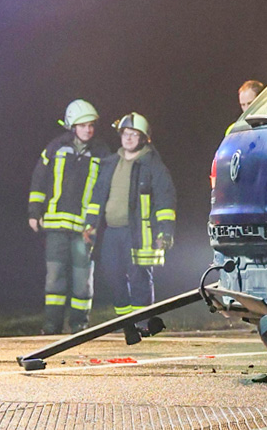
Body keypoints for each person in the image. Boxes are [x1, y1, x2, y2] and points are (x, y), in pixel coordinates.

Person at [84, 113, 176, 323]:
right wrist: (90, 224)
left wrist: (164, 231)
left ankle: (142, 323)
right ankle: (125, 323)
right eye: (125, 133)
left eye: (134, 134)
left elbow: (165, 199)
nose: (128, 138)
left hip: (139, 233)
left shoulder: (152, 165)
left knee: (139, 277)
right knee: (112, 276)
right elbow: (97, 196)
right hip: (111, 232)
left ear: (144, 138)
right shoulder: (110, 163)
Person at [28, 99, 107, 335]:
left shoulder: (102, 153)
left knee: (83, 279)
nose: (88, 130)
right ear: (72, 126)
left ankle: (79, 326)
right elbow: (39, 180)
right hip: (55, 226)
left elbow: (104, 190)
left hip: (85, 229)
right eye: (83, 125)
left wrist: (95, 223)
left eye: (91, 125)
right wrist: (34, 212)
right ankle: (51, 325)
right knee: (54, 278)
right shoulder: (55, 148)